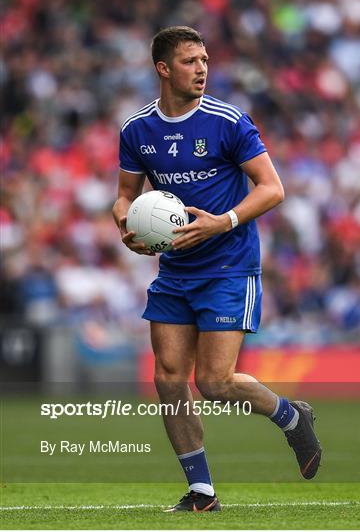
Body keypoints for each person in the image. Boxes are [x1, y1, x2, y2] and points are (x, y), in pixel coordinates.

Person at [113, 26, 321, 512]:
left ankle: (291, 417)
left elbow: (272, 188)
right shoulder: (137, 130)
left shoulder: (228, 122)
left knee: (213, 381)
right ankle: (202, 492)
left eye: (205, 59)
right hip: (175, 269)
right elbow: (125, 194)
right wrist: (127, 224)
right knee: (168, 377)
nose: (202, 68)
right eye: (190, 60)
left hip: (229, 266)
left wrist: (221, 223)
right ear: (163, 69)